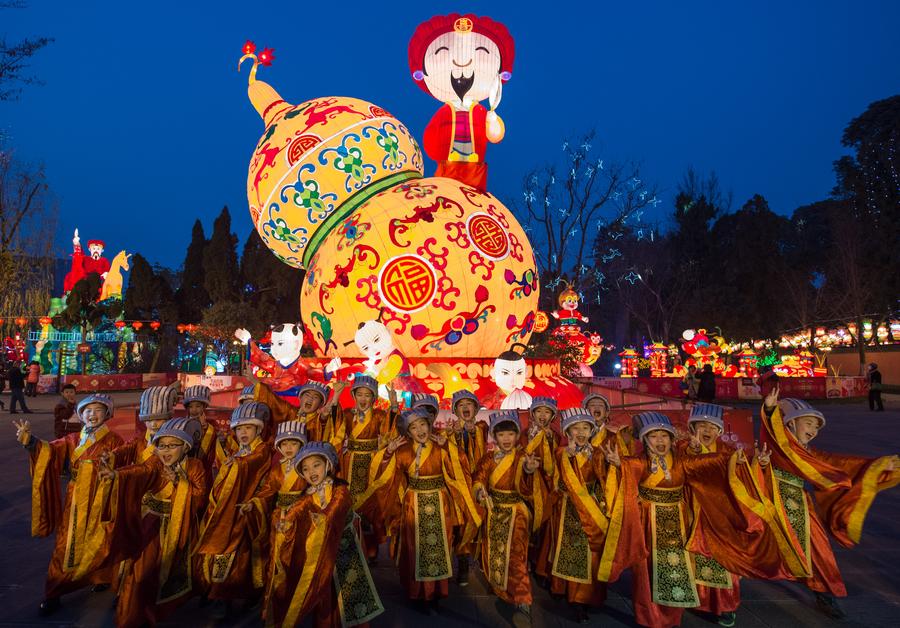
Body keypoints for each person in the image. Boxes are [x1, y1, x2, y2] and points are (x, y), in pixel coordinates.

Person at [759, 390, 899, 619]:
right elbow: (771, 431)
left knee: (820, 550)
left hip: (799, 504)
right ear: (790, 424)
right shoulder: (778, 444)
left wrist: (878, 465)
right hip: (768, 501)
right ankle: (719, 594)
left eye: (816, 427)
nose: (813, 431)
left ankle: (824, 593)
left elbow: (839, 464)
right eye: (808, 424)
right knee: (746, 544)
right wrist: (769, 410)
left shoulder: (809, 453)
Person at [360, 407, 481, 612]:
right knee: (415, 549)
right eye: (414, 428)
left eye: (423, 424)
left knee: (439, 549)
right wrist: (388, 452)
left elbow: (460, 469)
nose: (420, 430)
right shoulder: (403, 450)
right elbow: (385, 476)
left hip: (439, 503)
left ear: (430, 424)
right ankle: (416, 593)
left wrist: (450, 448)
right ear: (408, 433)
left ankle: (436, 593)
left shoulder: (440, 446)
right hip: (413, 505)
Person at [13, 393, 124, 615]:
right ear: (81, 415)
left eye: (99, 410)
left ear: (107, 414)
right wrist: (31, 442)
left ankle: (100, 577)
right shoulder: (73, 440)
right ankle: (54, 591)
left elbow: (123, 466)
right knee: (65, 546)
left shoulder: (115, 441)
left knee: (102, 540)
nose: (93, 415)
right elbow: (50, 451)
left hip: (101, 500)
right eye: (88, 411)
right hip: (75, 501)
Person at [97, 417, 209, 628]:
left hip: (179, 526)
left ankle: (150, 611)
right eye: (161, 445)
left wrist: (180, 481)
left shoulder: (195, 466)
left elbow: (200, 498)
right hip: (150, 524)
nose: (166, 450)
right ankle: (130, 617)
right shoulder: (155, 463)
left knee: (169, 574)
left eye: (172, 445)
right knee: (140, 573)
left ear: (185, 447)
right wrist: (116, 476)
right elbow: (140, 472)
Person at [265, 441, 383, 627]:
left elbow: (337, 507)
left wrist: (324, 518)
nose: (311, 472)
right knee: (325, 589)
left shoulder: (340, 489)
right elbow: (297, 510)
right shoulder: (308, 496)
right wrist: (285, 522)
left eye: (316, 465)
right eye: (305, 469)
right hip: (324, 551)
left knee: (348, 588)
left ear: (328, 465)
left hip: (345, 546)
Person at [195, 401, 272, 617]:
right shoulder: (237, 452)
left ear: (258, 429)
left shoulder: (262, 450)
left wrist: (235, 464)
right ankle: (221, 595)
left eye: (248, 428)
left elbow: (253, 464)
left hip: (252, 508)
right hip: (232, 508)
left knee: (244, 557)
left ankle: (243, 595)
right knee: (229, 552)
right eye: (239, 429)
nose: (243, 433)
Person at [472, 410, 545, 624]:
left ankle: (523, 601)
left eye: (511, 434)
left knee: (516, 557)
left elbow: (527, 485)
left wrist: (530, 471)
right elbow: (479, 478)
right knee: (495, 554)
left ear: (516, 436)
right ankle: (502, 589)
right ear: (494, 436)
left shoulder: (523, 457)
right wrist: (480, 491)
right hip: (494, 512)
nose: (506, 439)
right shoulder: (488, 459)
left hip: (516, 514)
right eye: (501, 434)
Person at [545, 408, 610, 624]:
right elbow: (559, 484)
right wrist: (569, 459)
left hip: (591, 509)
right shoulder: (561, 453)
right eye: (575, 428)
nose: (581, 432)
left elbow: (603, 482)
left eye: (585, 427)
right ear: (567, 431)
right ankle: (572, 598)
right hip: (568, 510)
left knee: (591, 555)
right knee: (569, 553)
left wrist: (602, 504)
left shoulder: (599, 454)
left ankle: (587, 598)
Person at [681, 403, 742, 627]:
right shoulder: (683, 447)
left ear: (719, 431)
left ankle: (725, 606)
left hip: (721, 517)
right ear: (692, 428)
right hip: (693, 512)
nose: (706, 430)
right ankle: (699, 602)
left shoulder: (729, 452)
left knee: (723, 561)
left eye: (711, 426)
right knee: (697, 559)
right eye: (701, 425)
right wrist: (691, 453)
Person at [328, 375, 396, 562]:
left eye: (368, 395)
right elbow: (336, 425)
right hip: (350, 462)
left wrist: (394, 405)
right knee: (349, 505)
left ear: (374, 398)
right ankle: (349, 545)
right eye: (360, 394)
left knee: (370, 507)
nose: (364, 399)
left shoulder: (380, 415)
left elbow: (389, 432)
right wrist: (336, 396)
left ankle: (371, 547)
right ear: (354, 396)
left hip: (371, 464)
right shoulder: (348, 414)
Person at [447, 389, 487, 585]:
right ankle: (462, 565)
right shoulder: (449, 431)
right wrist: (453, 436)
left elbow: (479, 431)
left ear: (476, 408)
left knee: (480, 523)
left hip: (478, 483)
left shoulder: (481, 427)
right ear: (455, 410)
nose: (465, 408)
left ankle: (483, 561)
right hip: (458, 486)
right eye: (460, 405)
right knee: (461, 525)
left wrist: (470, 432)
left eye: (469, 404)